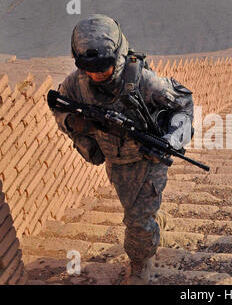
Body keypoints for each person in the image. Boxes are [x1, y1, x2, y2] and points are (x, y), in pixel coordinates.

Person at [51, 14, 194, 283]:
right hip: (116, 163)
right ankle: (153, 221)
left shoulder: (143, 81)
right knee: (134, 208)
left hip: (149, 156)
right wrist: (75, 122)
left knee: (136, 219)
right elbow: (58, 106)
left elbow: (184, 103)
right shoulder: (75, 84)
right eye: (88, 68)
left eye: (103, 67)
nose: (96, 74)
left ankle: (141, 263)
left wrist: (172, 140)